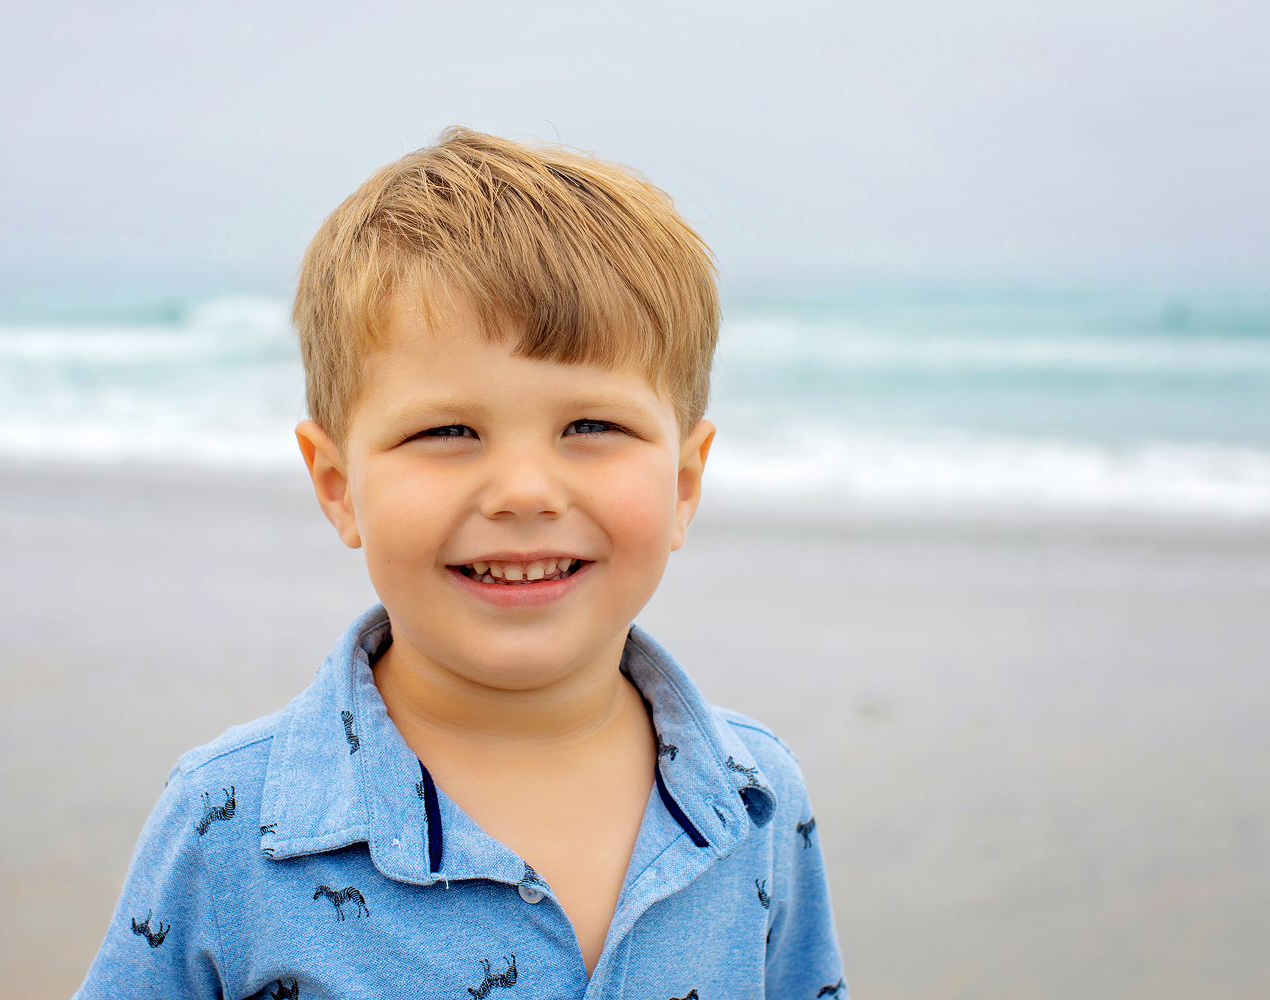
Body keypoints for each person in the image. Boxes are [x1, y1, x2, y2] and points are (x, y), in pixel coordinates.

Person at [75, 128, 846, 999]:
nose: (523, 491)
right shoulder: (224, 825)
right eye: (447, 432)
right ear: (337, 487)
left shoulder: (758, 798)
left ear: (683, 484)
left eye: (592, 427)